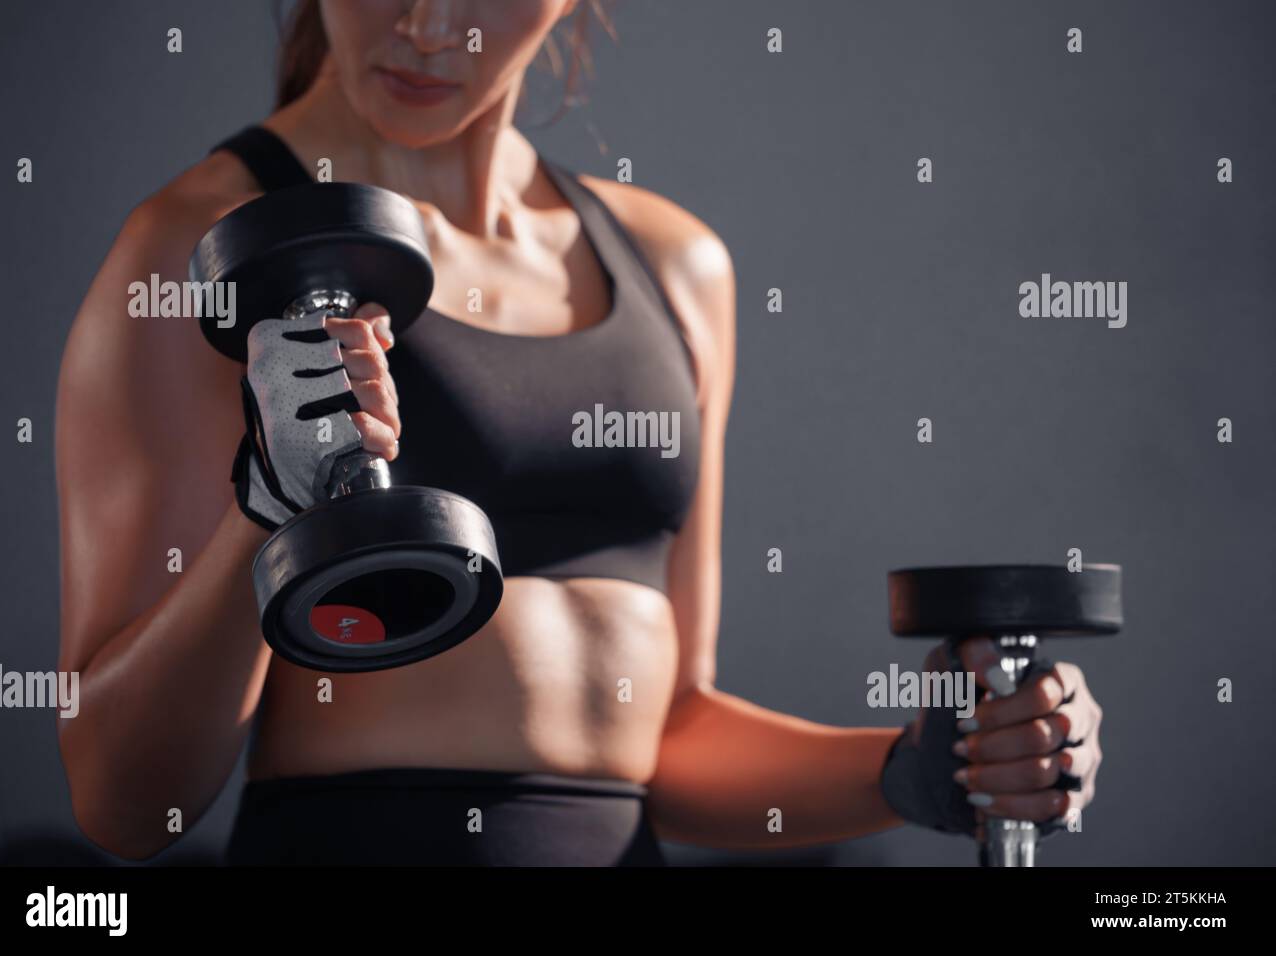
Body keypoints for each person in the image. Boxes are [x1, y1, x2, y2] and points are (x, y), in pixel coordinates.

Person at [54, 0, 1104, 865]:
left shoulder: (675, 265)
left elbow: (669, 729)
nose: (427, 25)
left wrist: (928, 766)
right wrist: (267, 514)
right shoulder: (198, 254)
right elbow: (126, 800)